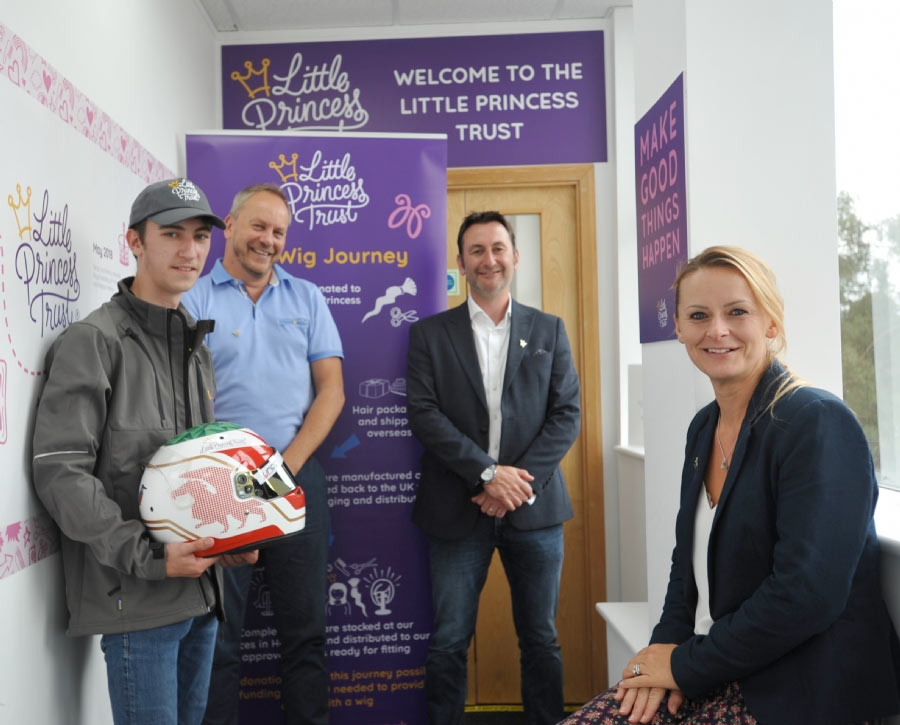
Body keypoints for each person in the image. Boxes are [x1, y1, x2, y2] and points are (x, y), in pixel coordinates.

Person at [562, 246, 900, 725]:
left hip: (795, 688)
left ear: (771, 323)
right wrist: (662, 655)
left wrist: (680, 666)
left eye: (737, 312)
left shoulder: (816, 422)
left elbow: (807, 595)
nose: (716, 330)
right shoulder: (705, 426)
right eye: (698, 315)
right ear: (677, 328)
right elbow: (685, 570)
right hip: (713, 667)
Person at [32, 178, 258, 724]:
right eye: (172, 234)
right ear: (133, 242)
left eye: (201, 236)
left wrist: (235, 534)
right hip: (138, 601)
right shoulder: (95, 340)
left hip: (203, 594)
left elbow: (197, 471)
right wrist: (152, 556)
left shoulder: (192, 342)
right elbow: (60, 472)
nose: (190, 251)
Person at [406, 210, 581, 725]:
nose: (489, 259)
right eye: (477, 251)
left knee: (541, 637)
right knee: (449, 639)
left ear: (515, 256)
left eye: (498, 248)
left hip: (535, 509)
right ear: (461, 262)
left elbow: (566, 414)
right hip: (457, 509)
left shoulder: (549, 330)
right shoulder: (429, 335)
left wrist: (513, 484)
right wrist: (487, 474)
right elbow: (424, 413)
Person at [183, 183, 345, 725]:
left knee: (305, 636)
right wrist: (228, 470)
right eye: (258, 226)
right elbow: (180, 396)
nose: (268, 240)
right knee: (220, 641)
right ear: (230, 224)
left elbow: (332, 392)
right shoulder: (196, 299)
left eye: (278, 231)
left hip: (293, 477)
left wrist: (283, 468)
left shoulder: (307, 298)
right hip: (218, 487)